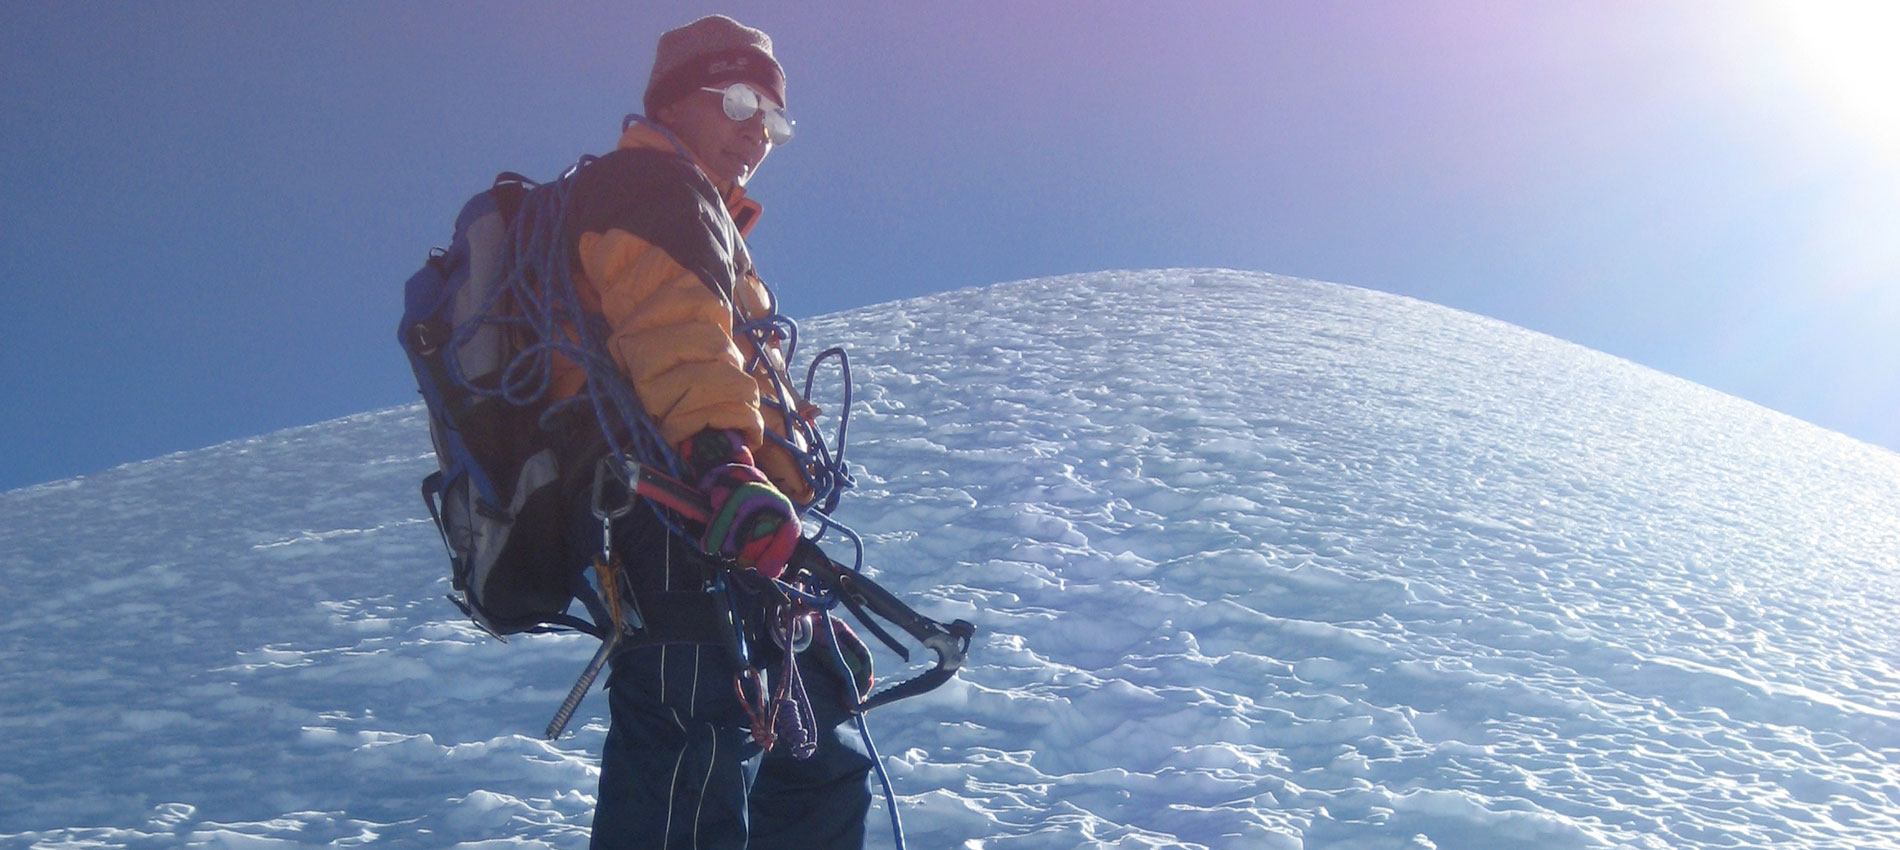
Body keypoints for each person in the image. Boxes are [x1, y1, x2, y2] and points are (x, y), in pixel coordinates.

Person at [548, 14, 874, 850]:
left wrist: (798, 584)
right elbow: (674, 331)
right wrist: (727, 466)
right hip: (680, 522)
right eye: (738, 102)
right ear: (671, 99)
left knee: (817, 750)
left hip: (731, 538)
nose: (757, 134)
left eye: (774, 119)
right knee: (687, 780)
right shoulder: (652, 188)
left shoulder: (698, 207)